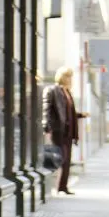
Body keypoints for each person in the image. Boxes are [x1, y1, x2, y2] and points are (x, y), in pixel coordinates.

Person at [42, 66, 88, 195]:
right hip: (58, 130)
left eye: (70, 77)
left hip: (68, 131)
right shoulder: (53, 90)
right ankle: (50, 186)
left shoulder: (68, 92)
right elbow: (46, 109)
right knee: (59, 158)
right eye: (67, 76)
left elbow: (68, 113)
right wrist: (46, 126)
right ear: (61, 77)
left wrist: (80, 115)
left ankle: (62, 187)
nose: (69, 79)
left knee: (66, 160)